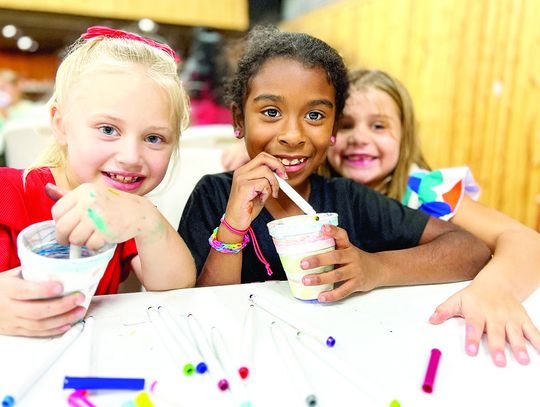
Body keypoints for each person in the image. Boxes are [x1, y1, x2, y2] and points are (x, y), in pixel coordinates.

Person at [179, 26, 490, 308]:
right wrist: (233, 227)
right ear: (239, 120)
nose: (292, 136)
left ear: (333, 130)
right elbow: (200, 308)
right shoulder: (214, 195)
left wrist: (375, 268)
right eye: (271, 112)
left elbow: (470, 250)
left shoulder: (349, 199)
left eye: (314, 116)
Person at [325, 69, 540, 367]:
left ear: (405, 136)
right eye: (346, 126)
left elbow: (526, 240)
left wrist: (495, 289)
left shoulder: (428, 192)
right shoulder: (319, 192)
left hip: (430, 338)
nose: (359, 138)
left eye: (378, 126)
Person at [0, 26, 196, 337]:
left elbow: (177, 288)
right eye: (108, 130)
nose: (131, 156)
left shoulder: (123, 212)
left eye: (154, 138)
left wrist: (148, 219)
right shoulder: (7, 192)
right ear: (61, 125)